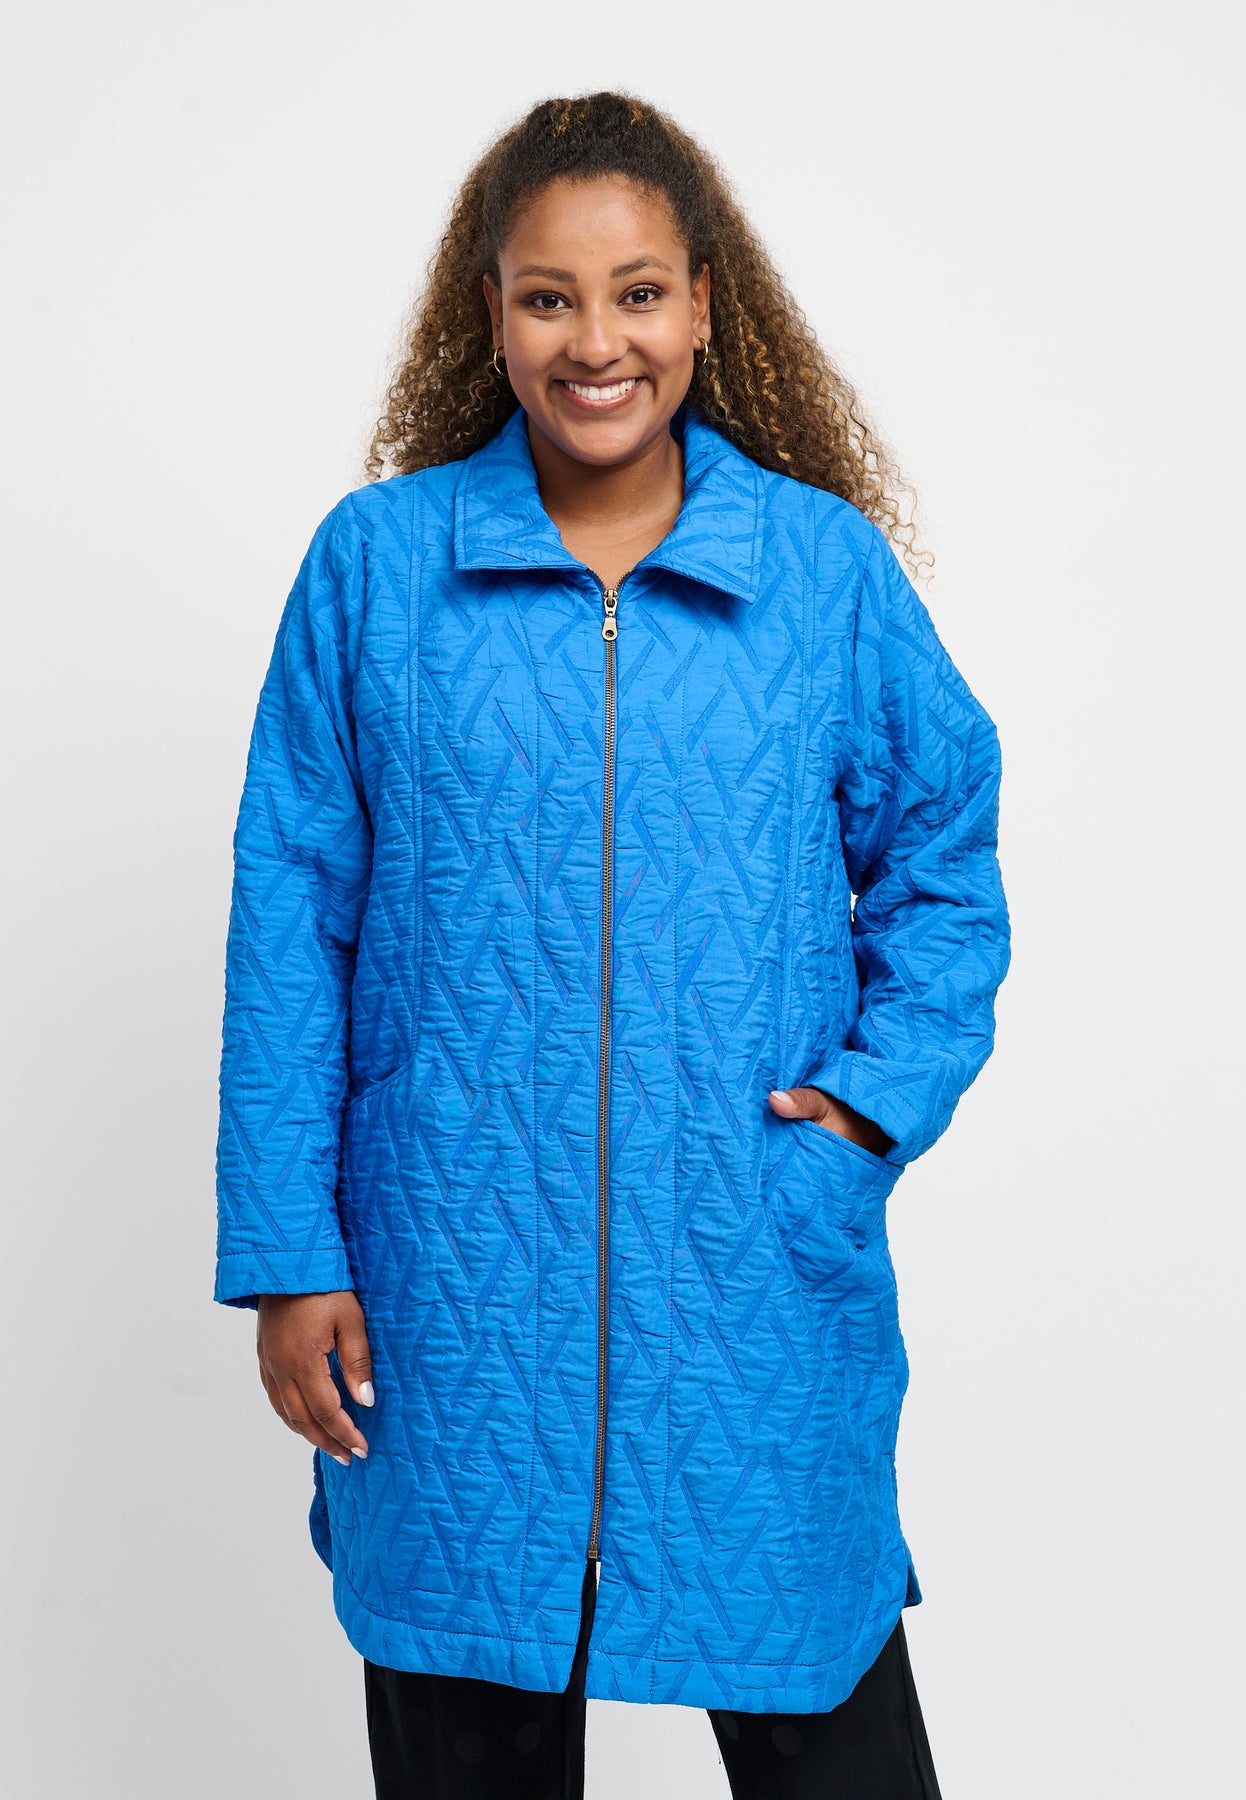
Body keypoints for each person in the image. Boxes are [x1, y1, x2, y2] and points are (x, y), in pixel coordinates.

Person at [213, 90, 1011, 1800]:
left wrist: (865, 1112)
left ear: (704, 306)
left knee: (826, 1722)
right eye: (548, 297)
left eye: (638, 292)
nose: (596, 342)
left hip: (746, 1267)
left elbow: (942, 863)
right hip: (441, 1290)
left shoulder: (818, 572)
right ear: (489, 315)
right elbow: (291, 911)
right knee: (466, 1727)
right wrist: (288, 1252)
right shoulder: (376, 569)